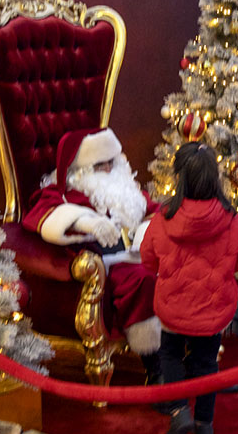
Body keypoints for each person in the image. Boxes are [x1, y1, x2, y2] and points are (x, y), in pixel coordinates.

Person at [22, 128, 163, 384]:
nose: (109, 169)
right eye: (100, 165)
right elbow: (42, 216)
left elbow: (154, 213)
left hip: (137, 255)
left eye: (112, 161)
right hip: (105, 265)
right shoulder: (65, 191)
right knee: (142, 279)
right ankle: (156, 367)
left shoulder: (127, 191)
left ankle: (191, 357)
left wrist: (145, 233)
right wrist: (87, 222)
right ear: (81, 168)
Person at [140, 142, 238, 434]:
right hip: (214, 308)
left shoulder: (163, 218)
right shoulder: (232, 219)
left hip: (173, 307)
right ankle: (205, 424)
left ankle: (179, 412)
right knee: (206, 362)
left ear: (180, 178)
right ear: (216, 177)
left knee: (170, 354)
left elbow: (148, 259)